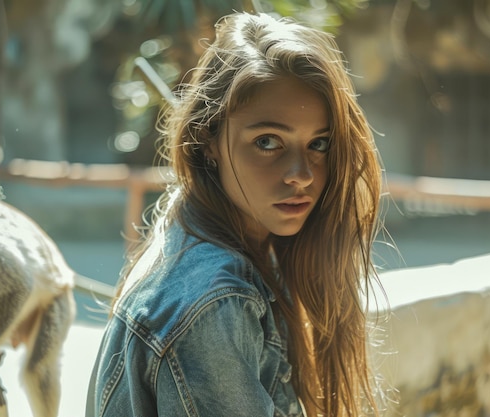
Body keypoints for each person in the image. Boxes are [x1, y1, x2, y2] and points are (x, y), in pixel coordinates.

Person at [86, 11, 385, 417]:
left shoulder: (206, 228)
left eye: (319, 144)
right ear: (208, 139)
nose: (301, 176)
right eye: (267, 141)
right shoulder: (213, 303)